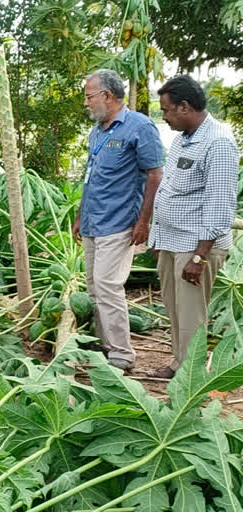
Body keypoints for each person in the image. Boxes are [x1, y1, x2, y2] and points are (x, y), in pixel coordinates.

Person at [147, 75, 240, 379]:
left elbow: (220, 204)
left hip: (196, 245)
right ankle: (179, 364)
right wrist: (157, 238)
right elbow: (170, 190)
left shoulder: (219, 143)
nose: (164, 116)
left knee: (191, 316)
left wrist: (200, 257)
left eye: (166, 110)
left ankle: (192, 377)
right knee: (174, 310)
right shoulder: (182, 139)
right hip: (172, 241)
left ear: (184, 107)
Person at [73, 69, 163, 371]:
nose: (86, 103)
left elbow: (154, 174)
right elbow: (90, 177)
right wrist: (78, 215)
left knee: (108, 285)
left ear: (107, 96)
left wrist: (144, 221)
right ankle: (103, 344)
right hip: (92, 221)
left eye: (89, 96)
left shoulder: (140, 126)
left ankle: (122, 355)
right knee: (94, 286)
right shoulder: (98, 130)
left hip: (119, 222)